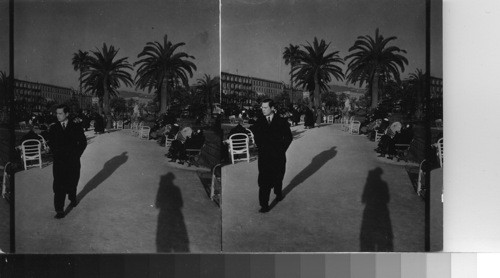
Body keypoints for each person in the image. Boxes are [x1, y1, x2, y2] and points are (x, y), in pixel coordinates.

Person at [252, 99, 293, 213]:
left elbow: (289, 137)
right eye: (262, 107)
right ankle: (264, 205)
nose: (263, 110)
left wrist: (281, 149)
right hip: (264, 156)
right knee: (264, 181)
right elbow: (256, 136)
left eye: (265, 108)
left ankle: (278, 192)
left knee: (278, 176)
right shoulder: (259, 121)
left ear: (272, 108)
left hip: (278, 156)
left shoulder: (282, 121)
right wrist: (261, 147)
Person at [47, 104, 87, 219]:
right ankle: (59, 210)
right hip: (59, 162)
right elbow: (51, 143)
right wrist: (56, 154)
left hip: (72, 161)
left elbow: (83, 143)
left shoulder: (76, 126)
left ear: (67, 114)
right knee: (58, 186)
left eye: (60, 113)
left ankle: (72, 197)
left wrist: (76, 155)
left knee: (72, 182)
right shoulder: (54, 128)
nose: (58, 116)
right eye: (57, 113)